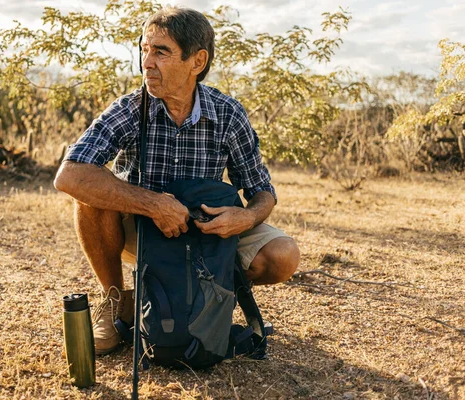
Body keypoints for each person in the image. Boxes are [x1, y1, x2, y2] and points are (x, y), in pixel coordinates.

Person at [54, 6, 300, 355]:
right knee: (89, 192)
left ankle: (206, 299)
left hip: (205, 235)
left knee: (283, 255)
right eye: (144, 50)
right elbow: (69, 175)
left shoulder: (229, 113)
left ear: (197, 62)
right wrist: (153, 204)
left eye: (161, 52)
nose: (147, 63)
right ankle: (115, 301)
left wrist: (245, 217)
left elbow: (263, 192)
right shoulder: (129, 107)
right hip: (139, 231)